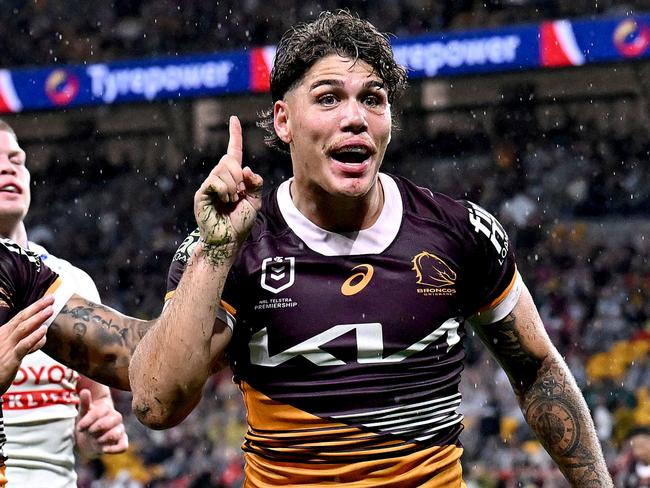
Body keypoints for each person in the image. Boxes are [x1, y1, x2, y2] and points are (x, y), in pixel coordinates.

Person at [129, 10, 614, 487]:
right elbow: (156, 403)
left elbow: (537, 369)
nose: (355, 118)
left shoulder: (460, 232)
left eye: (373, 99)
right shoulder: (232, 244)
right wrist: (216, 251)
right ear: (283, 121)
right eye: (328, 99)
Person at [0, 119, 129, 487]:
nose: (8, 168)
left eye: (16, 159)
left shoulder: (72, 284)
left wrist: (91, 433)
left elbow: (95, 402)